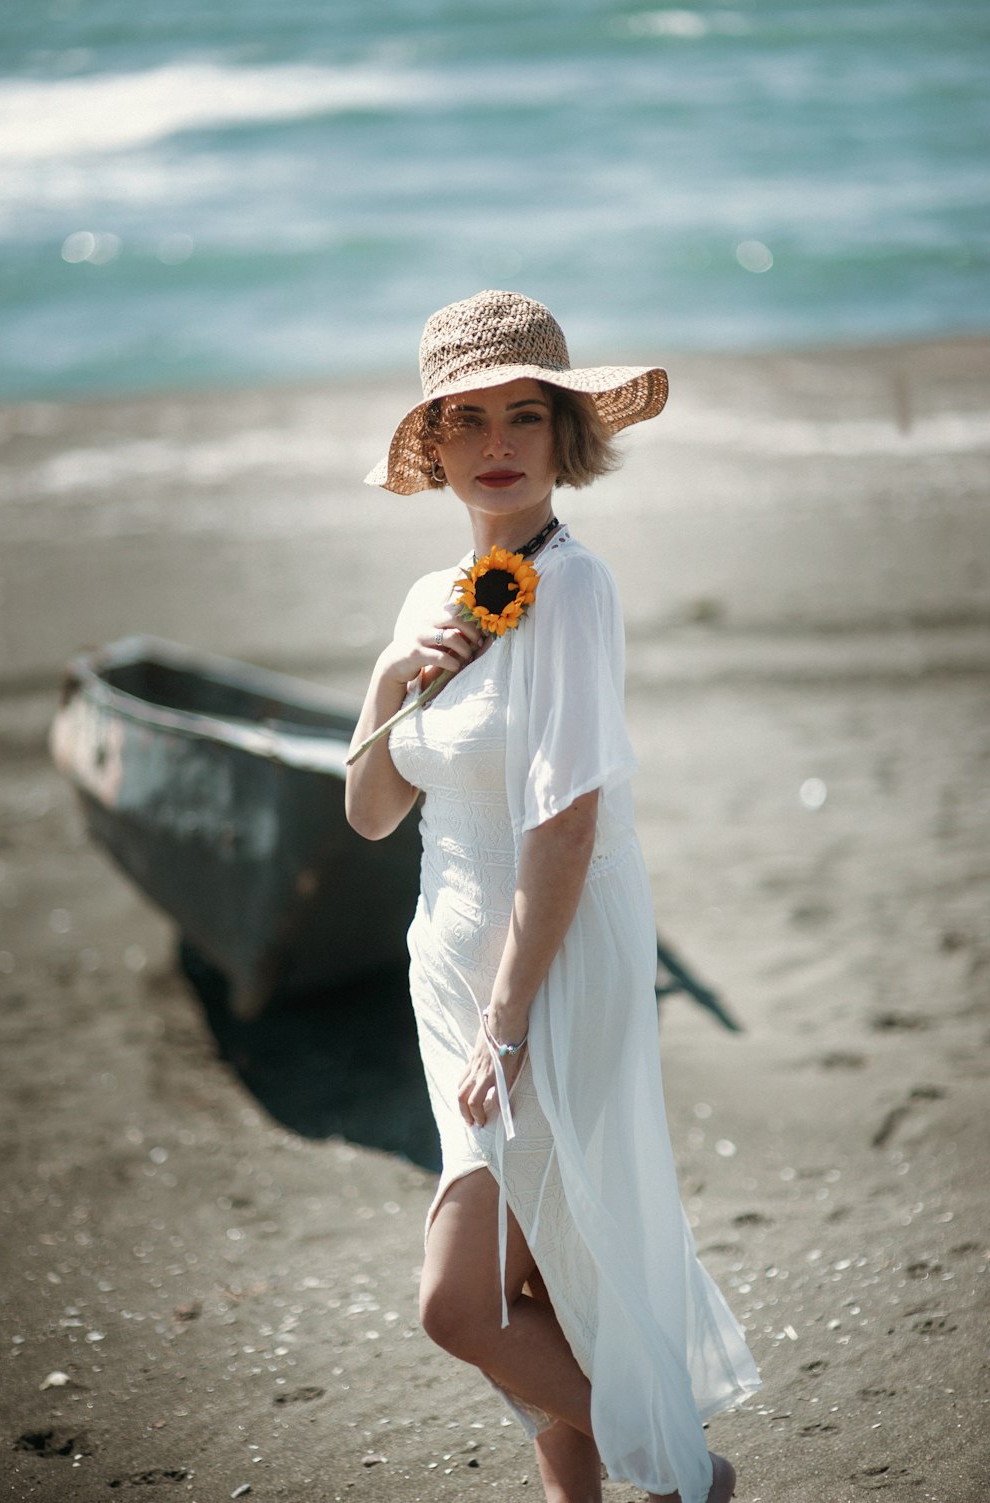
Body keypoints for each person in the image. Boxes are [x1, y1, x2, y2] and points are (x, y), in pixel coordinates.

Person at [345, 290, 760, 1503]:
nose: (496, 444)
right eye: (464, 422)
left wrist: (512, 1020)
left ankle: (679, 1464)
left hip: (548, 970)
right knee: (522, 1289)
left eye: (523, 415)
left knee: (457, 1304)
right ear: (433, 447)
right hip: (450, 960)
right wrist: (383, 684)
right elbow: (372, 813)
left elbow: (564, 824)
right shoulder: (428, 603)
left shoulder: (573, 589)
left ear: (564, 434)